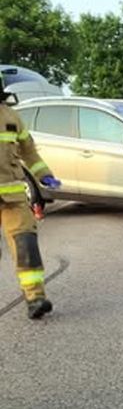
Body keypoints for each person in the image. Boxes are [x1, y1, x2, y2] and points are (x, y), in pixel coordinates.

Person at [0, 76, 60, 318]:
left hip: (13, 196)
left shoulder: (11, 117)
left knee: (27, 245)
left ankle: (35, 298)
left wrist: (45, 175)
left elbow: (30, 152)